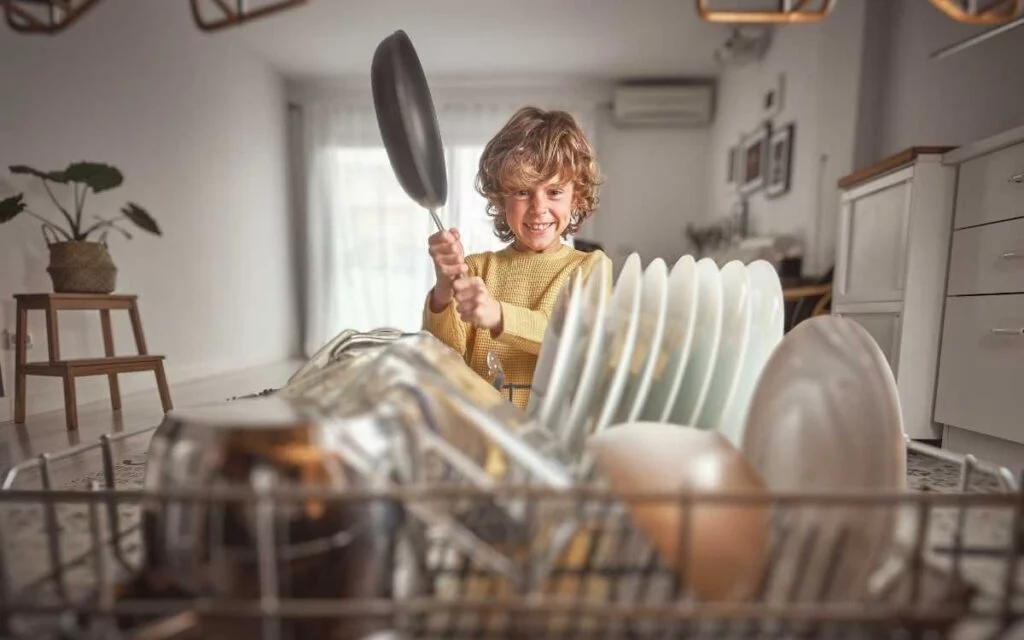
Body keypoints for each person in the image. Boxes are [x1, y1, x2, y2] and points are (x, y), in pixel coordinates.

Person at [423, 106, 610, 411]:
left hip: (553, 443)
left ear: (576, 196)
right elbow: (443, 359)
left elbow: (579, 344)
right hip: (487, 439)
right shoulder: (475, 269)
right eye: (522, 192)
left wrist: (499, 316)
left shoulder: (590, 268)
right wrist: (444, 289)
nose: (538, 208)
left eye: (554, 192)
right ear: (500, 199)